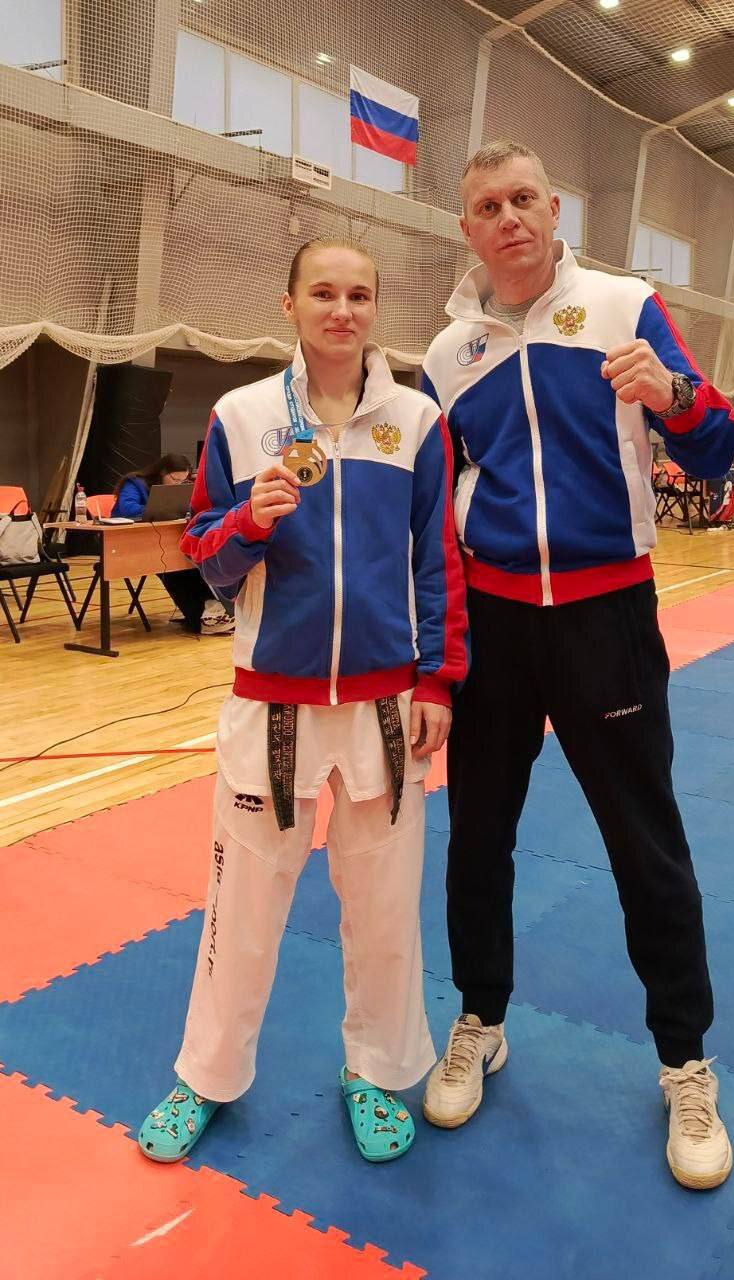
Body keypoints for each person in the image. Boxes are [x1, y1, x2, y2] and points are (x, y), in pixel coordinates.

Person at [420, 141, 734, 1191]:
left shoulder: (621, 305)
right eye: (487, 205)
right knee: (477, 839)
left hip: (607, 616)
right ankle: (480, 1017)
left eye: (523, 198)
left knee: (646, 846)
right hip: (494, 628)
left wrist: (675, 395)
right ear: (466, 228)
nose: (508, 217)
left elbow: (717, 452)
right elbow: (431, 515)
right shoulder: (448, 355)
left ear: (553, 208)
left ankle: (684, 1063)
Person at [137, 239, 467, 1165]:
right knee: (239, 906)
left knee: (385, 909)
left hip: (383, 706)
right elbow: (203, 557)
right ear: (289, 305)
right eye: (323, 292)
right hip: (269, 704)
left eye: (359, 294)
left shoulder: (416, 421)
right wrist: (248, 521)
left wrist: (437, 679)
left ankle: (377, 1071)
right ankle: (206, 1075)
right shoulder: (241, 416)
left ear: (375, 309)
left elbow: (437, 562)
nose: (342, 310)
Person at [113, 453, 234, 635]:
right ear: (162, 472)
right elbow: (127, 508)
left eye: (182, 481)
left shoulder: (178, 487)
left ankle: (212, 611)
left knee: (188, 564)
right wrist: (158, 509)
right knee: (172, 570)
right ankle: (199, 618)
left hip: (160, 542)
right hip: (127, 543)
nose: (178, 484)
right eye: (175, 480)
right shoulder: (134, 483)